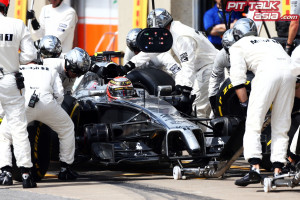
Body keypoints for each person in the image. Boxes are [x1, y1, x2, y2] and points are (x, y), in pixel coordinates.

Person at [229, 18, 296, 186]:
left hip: (267, 74)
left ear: (237, 34)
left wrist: (245, 104)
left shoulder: (237, 45)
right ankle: (278, 169)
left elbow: (237, 78)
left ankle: (255, 169)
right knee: (281, 124)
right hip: (289, 74)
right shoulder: (272, 41)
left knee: (253, 123)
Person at [144, 8, 218, 122]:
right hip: (204, 69)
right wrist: (179, 87)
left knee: (196, 108)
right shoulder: (172, 32)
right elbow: (155, 52)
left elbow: (188, 65)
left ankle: (199, 139)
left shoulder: (181, 36)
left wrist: (185, 91)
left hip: (209, 68)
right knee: (204, 111)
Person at [0, 0, 37, 188]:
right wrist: (15, 59)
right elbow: (29, 55)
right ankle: (25, 174)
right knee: (18, 128)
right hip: (9, 80)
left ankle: (4, 171)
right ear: (5, 7)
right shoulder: (17, 25)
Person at [208, 28, 235, 116]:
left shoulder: (252, 52)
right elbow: (215, 79)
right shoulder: (222, 55)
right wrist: (213, 104)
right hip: (232, 79)